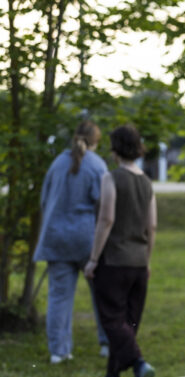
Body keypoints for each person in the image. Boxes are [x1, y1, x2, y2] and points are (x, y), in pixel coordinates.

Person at [84, 124, 157, 377]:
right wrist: (147, 260)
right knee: (129, 322)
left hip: (113, 262)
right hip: (139, 263)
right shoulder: (147, 182)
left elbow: (106, 219)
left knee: (112, 320)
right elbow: (152, 226)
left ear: (115, 150)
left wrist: (93, 259)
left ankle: (138, 363)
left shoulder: (111, 178)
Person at [34, 120, 110, 364]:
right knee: (101, 293)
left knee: (58, 297)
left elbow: (44, 201)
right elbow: (104, 206)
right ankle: (107, 343)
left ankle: (59, 351)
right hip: (87, 239)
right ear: (96, 140)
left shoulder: (57, 164)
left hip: (56, 239)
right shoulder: (97, 166)